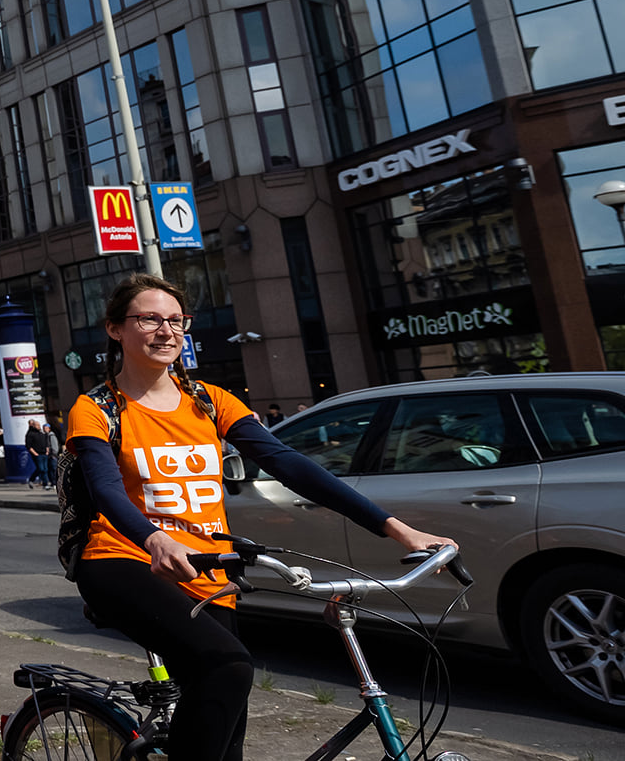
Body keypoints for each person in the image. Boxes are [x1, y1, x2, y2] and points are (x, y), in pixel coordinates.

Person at [68, 274, 457, 761]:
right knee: (228, 665)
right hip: (125, 560)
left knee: (228, 725)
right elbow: (104, 489)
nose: (165, 330)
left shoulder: (210, 401)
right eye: (148, 319)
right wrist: (153, 539)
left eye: (175, 320)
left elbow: (289, 464)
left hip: (206, 569)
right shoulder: (97, 408)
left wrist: (399, 530)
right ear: (115, 329)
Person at [23, 419, 52, 489]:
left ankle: (43, 483)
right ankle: (44, 483)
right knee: (41, 469)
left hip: (44, 453)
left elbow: (46, 443)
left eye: (39, 425)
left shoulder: (42, 434)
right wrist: (35, 453)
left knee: (45, 469)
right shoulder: (30, 434)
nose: (39, 426)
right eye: (37, 425)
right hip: (37, 454)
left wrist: (47, 451)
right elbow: (28, 446)